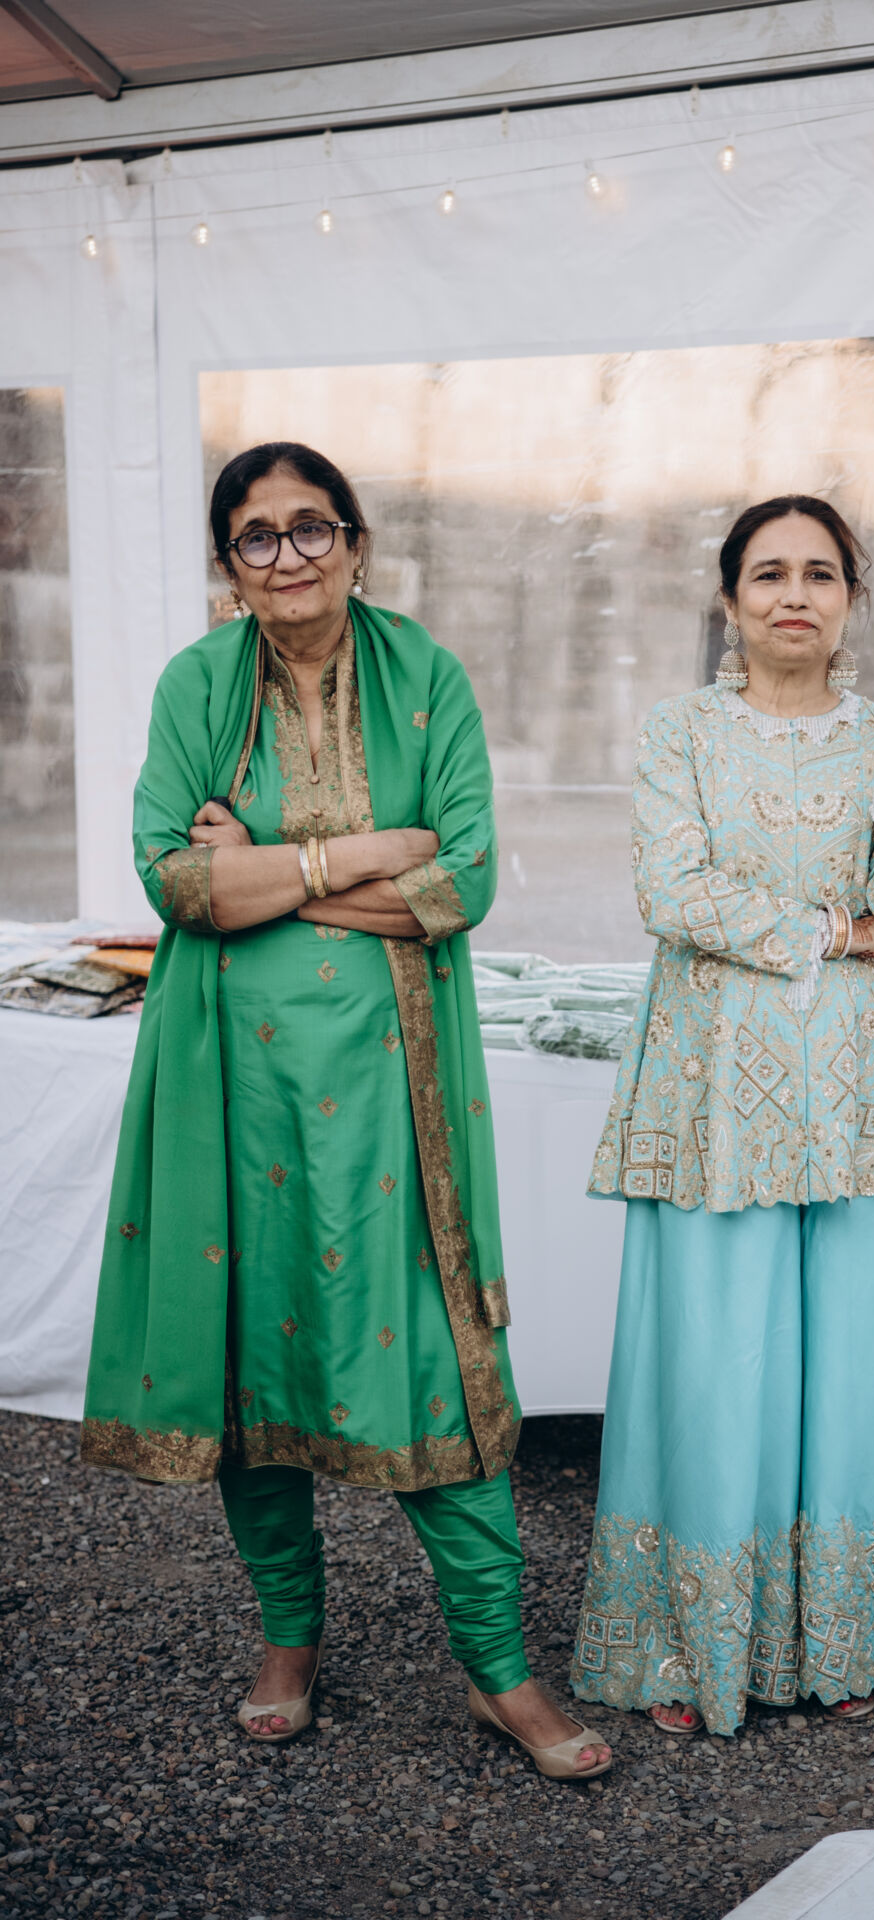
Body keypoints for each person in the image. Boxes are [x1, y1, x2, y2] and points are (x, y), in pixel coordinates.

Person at [80, 441, 611, 1779]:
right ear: (230, 564)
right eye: (256, 535)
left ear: (356, 543)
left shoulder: (424, 675)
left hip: (394, 1086)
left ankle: (498, 1668)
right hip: (233, 1081)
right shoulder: (197, 685)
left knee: (433, 1356)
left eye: (311, 526)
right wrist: (365, 853)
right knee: (252, 1353)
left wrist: (263, 868)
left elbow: (462, 882)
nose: (289, 555)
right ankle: (288, 1639)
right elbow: (172, 883)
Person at [570, 494, 874, 1738]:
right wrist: (847, 933)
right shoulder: (680, 731)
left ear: (850, 599)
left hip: (871, 1085)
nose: (792, 594)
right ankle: (690, 1645)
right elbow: (672, 892)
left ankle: (846, 1638)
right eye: (766, 573)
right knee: (715, 1357)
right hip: (714, 1083)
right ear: (728, 599)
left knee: (865, 1360)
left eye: (817, 573)